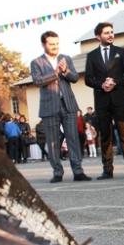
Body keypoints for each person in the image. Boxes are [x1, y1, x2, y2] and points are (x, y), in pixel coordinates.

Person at [30, 30, 91, 183]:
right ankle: (57, 172)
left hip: (68, 105)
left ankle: (78, 171)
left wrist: (66, 70)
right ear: (44, 44)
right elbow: (38, 81)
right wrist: (56, 73)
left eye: (57, 43)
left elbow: (75, 78)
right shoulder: (36, 62)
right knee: (53, 142)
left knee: (73, 139)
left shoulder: (66, 58)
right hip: (49, 107)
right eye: (51, 44)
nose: (55, 46)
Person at [84, 21, 124, 179]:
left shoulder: (121, 52)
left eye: (112, 32)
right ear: (98, 36)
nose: (110, 35)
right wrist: (101, 85)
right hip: (102, 102)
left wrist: (115, 83)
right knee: (105, 136)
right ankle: (107, 170)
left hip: (119, 99)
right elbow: (87, 79)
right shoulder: (92, 55)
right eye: (106, 32)